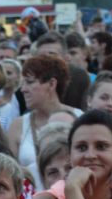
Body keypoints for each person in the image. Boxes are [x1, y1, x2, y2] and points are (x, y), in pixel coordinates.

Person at [9, 55, 79, 185]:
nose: (23, 89)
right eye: (23, 83)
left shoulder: (80, 119)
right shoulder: (17, 125)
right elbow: (10, 174)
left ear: (52, 84)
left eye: (30, 82)